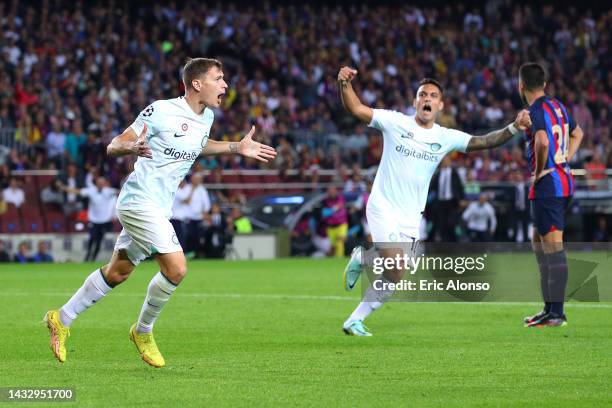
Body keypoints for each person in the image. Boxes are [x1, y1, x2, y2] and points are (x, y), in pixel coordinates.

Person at [44, 58, 277, 367]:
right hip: (139, 201)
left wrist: (236, 147)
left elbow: (199, 145)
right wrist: (131, 147)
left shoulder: (206, 117)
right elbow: (115, 144)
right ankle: (142, 331)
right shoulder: (161, 110)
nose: (225, 85)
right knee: (177, 268)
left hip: (158, 206)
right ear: (197, 84)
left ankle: (62, 317)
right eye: (218, 79)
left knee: (118, 272)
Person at [337, 66, 531, 336]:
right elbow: (357, 109)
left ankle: (355, 316)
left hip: (410, 215)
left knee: (397, 274)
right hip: (383, 205)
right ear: (415, 102)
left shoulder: (444, 136)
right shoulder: (395, 122)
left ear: (440, 105)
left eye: (433, 96)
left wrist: (513, 127)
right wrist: (344, 84)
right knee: (395, 263)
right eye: (422, 94)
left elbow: (483, 141)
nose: (427, 99)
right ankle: (367, 257)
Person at [519, 62, 583, 328]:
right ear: (544, 84)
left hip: (549, 187)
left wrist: (541, 169)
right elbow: (578, 133)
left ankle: (557, 313)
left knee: (554, 248)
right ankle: (549, 308)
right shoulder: (558, 106)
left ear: (521, 86)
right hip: (562, 183)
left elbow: (543, 141)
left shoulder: (535, 110)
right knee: (538, 244)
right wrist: (565, 158)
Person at [59, 176, 118, 262]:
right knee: (91, 238)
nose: (100, 185)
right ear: (96, 183)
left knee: (99, 240)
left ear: (104, 184)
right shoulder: (91, 191)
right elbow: (77, 191)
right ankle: (87, 257)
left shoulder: (108, 191)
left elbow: (119, 192)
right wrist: (63, 187)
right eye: (99, 183)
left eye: (102, 183)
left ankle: (93, 258)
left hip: (104, 221)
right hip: (94, 221)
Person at [430, 156, 465, 241]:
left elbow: (460, 186)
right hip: (440, 201)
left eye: (446, 160)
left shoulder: (453, 172)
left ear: (450, 161)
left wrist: (462, 199)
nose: (445, 162)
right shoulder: (438, 172)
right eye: (443, 161)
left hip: (451, 201)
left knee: (451, 223)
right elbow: (432, 186)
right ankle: (442, 244)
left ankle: (452, 243)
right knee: (441, 223)